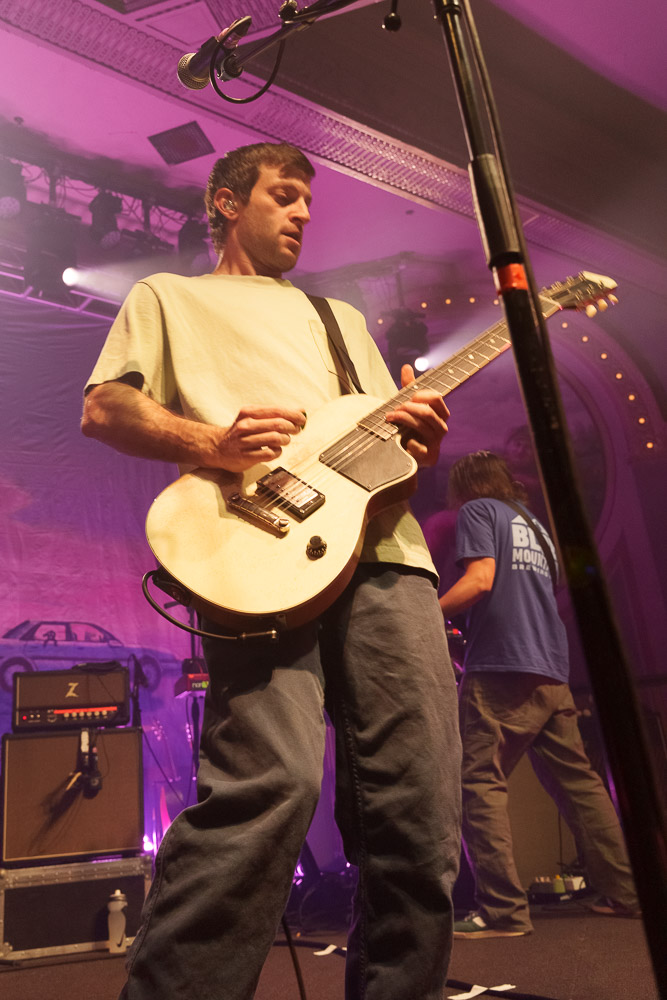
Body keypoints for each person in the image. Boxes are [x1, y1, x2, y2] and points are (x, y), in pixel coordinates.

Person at [81, 142, 461, 999]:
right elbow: (105, 406)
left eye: (306, 204)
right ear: (224, 202)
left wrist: (419, 449)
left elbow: (380, 467)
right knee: (269, 787)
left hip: (386, 564)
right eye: (283, 196)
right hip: (251, 555)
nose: (300, 215)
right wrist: (209, 443)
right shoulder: (168, 297)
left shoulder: (343, 319)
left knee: (421, 814)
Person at [438, 450, 639, 939]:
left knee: (480, 783)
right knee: (581, 785)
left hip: (503, 666)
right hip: (552, 666)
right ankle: (628, 892)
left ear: (465, 484)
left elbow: (480, 580)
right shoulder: (534, 525)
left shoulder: (477, 511)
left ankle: (504, 911)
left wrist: (428, 612)